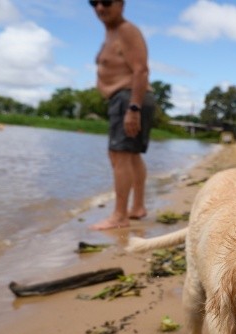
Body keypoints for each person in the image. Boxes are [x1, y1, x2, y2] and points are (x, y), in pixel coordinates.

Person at [90, 0, 155, 230]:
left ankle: (119, 216)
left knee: (119, 155)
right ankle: (136, 207)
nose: (99, 7)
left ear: (121, 3)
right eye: (93, 2)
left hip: (129, 98)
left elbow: (141, 69)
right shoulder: (111, 34)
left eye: (106, 1)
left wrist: (133, 108)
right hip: (125, 99)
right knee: (132, 155)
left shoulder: (126, 30)